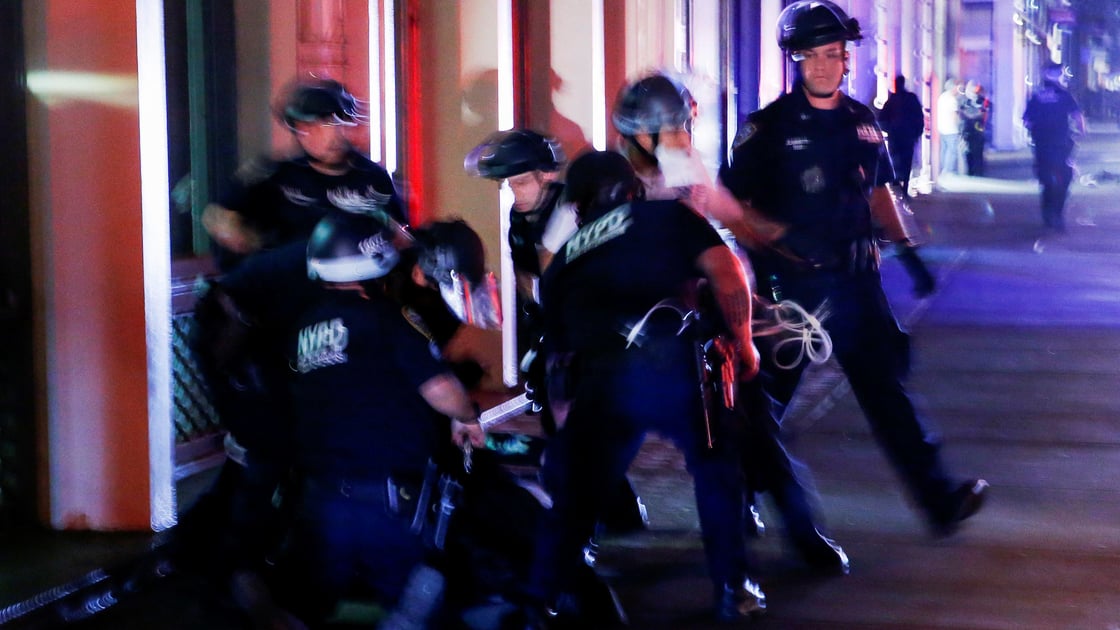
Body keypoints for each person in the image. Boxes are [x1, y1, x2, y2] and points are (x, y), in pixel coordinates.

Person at [718, 0, 988, 541]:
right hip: (793, 291)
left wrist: (906, 250)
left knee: (887, 393)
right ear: (797, 60)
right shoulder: (765, 129)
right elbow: (731, 206)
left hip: (857, 284)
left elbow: (880, 190)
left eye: (833, 55)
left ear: (846, 59)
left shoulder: (864, 122)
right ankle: (736, 494)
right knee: (765, 400)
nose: (823, 65)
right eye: (812, 56)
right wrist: (768, 257)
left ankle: (938, 501)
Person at [610, 71, 848, 571]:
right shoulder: (615, 186)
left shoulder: (681, 164)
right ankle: (580, 549)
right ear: (640, 135)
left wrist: (788, 239)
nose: (683, 140)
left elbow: (732, 215)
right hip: (639, 335)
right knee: (597, 447)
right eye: (673, 130)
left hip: (703, 327)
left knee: (755, 432)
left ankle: (802, 541)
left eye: (684, 127)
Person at [522, 150, 766, 626]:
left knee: (577, 495)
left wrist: (571, 426)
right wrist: (744, 345)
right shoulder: (668, 214)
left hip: (603, 383)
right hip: (675, 366)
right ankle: (732, 590)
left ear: (577, 205)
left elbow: (558, 358)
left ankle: (541, 600)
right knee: (716, 473)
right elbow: (727, 271)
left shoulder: (565, 259)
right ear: (632, 189)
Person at [279, 211, 486, 626]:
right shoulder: (389, 320)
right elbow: (440, 389)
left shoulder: (303, 327)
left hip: (318, 498)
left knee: (309, 605)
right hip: (385, 500)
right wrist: (468, 416)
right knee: (419, 602)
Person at [203, 77, 409, 270]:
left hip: (360, 288)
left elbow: (402, 235)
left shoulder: (373, 178)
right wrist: (242, 238)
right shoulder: (275, 177)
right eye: (310, 127)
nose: (330, 136)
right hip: (291, 292)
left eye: (335, 123)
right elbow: (218, 216)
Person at [1023, 63, 1086, 232]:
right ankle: (1057, 213)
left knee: (1045, 179)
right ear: (1058, 75)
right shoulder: (1064, 95)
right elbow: (1077, 117)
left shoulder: (1036, 96)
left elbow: (1027, 120)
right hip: (1061, 143)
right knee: (1065, 177)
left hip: (1042, 143)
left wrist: (1034, 131)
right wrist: (1080, 133)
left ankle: (1047, 213)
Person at [879, 74, 925, 197]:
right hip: (908, 136)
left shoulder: (892, 100)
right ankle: (903, 187)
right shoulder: (911, 99)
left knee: (895, 160)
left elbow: (881, 118)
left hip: (896, 136)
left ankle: (896, 185)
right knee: (906, 162)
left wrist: (889, 130)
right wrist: (917, 133)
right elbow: (918, 117)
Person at [960, 80, 990, 176]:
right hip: (967, 130)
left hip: (978, 129)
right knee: (968, 152)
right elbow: (961, 113)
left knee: (978, 151)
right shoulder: (965, 101)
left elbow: (985, 113)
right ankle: (970, 171)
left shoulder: (982, 101)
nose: (974, 92)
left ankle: (979, 171)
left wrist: (972, 116)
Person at [936, 76, 963, 177]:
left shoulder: (942, 97)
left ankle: (944, 168)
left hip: (942, 128)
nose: (958, 89)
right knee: (952, 151)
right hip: (951, 129)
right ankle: (949, 170)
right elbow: (954, 115)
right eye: (957, 87)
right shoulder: (952, 100)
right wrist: (960, 126)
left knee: (944, 149)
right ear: (953, 87)